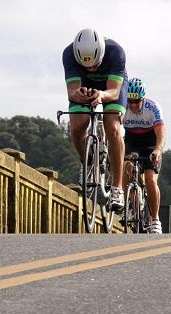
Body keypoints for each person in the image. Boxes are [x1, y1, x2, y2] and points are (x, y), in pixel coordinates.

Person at [62, 28, 128, 211]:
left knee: (112, 127)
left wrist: (101, 95)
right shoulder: (69, 54)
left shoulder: (116, 52)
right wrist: (78, 95)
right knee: (76, 126)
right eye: (86, 65)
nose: (91, 68)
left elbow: (114, 91)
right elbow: (72, 91)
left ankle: (117, 187)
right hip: (85, 85)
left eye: (95, 64)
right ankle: (88, 160)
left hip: (111, 87)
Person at [122, 78, 166, 233]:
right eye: (130, 101)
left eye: (137, 101)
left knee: (149, 179)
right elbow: (113, 127)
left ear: (143, 98)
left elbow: (160, 131)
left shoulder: (152, 107)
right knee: (125, 165)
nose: (133, 105)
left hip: (150, 145)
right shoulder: (124, 106)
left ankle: (155, 219)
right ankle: (130, 202)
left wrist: (158, 150)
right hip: (131, 142)